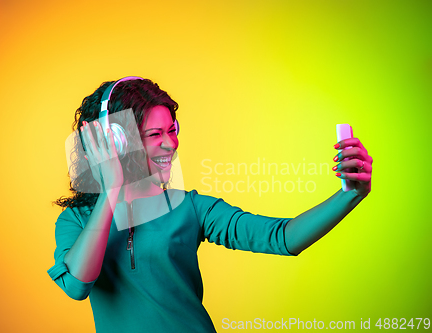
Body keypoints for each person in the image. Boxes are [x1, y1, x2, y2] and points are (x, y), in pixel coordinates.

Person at [47, 77, 373, 332]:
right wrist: (111, 190)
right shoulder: (76, 220)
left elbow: (282, 237)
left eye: (172, 131)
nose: (170, 143)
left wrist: (350, 195)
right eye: (155, 133)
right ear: (119, 141)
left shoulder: (190, 208)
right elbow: (77, 285)